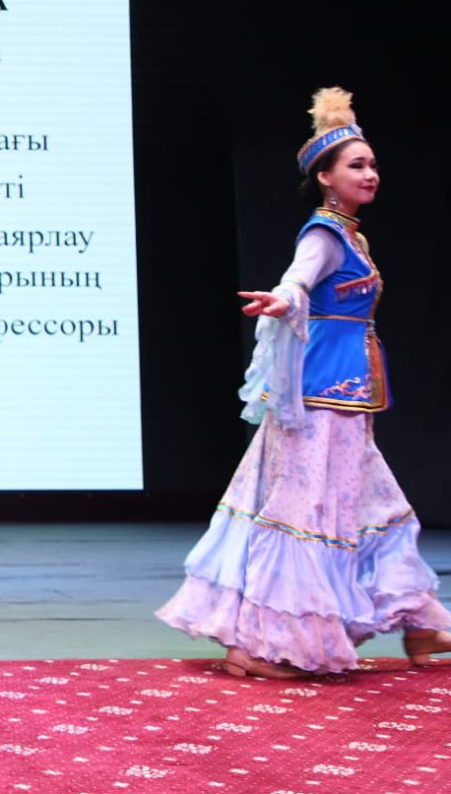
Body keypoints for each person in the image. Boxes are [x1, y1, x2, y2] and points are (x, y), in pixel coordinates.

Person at [157, 87, 451, 678]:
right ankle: (265, 644)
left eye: (372, 164)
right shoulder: (324, 235)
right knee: (304, 514)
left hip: (346, 399)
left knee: (372, 506)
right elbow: (298, 278)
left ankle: (420, 624)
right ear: (325, 177)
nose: (370, 174)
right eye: (356, 165)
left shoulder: (354, 237)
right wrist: (283, 298)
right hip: (318, 403)